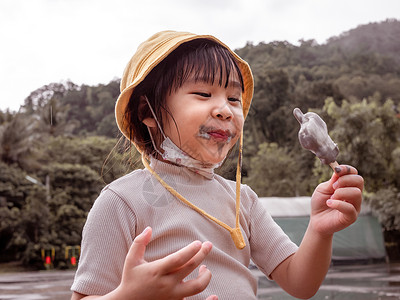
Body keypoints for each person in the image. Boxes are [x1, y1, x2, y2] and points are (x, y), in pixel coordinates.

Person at [70, 30, 364, 300]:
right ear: (148, 110)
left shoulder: (242, 199)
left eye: (234, 98)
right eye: (203, 94)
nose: (225, 110)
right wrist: (128, 295)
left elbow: (300, 283)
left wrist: (319, 230)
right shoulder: (121, 202)